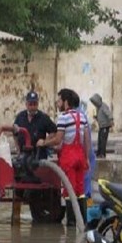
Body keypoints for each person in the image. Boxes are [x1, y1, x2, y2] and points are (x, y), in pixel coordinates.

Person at [38, 89, 91, 229]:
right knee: (80, 190)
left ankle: (72, 223)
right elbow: (87, 141)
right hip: (81, 156)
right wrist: (87, 158)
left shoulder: (63, 118)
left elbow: (58, 139)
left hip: (69, 157)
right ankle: (83, 222)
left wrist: (44, 143)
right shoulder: (83, 116)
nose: (57, 103)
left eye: (59, 100)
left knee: (69, 190)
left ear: (66, 102)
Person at [12, 91, 57, 159]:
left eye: (35, 104)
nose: (33, 107)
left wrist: (45, 142)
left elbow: (54, 131)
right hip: (23, 157)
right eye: (30, 104)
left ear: (38, 104)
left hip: (39, 157)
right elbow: (14, 133)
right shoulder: (20, 116)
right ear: (26, 104)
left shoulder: (43, 117)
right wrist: (18, 149)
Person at [90, 93, 113, 158]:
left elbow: (108, 113)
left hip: (105, 126)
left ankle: (102, 153)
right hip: (101, 126)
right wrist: (96, 117)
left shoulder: (103, 106)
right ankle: (99, 153)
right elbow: (101, 115)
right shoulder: (98, 107)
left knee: (103, 140)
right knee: (100, 140)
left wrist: (111, 120)